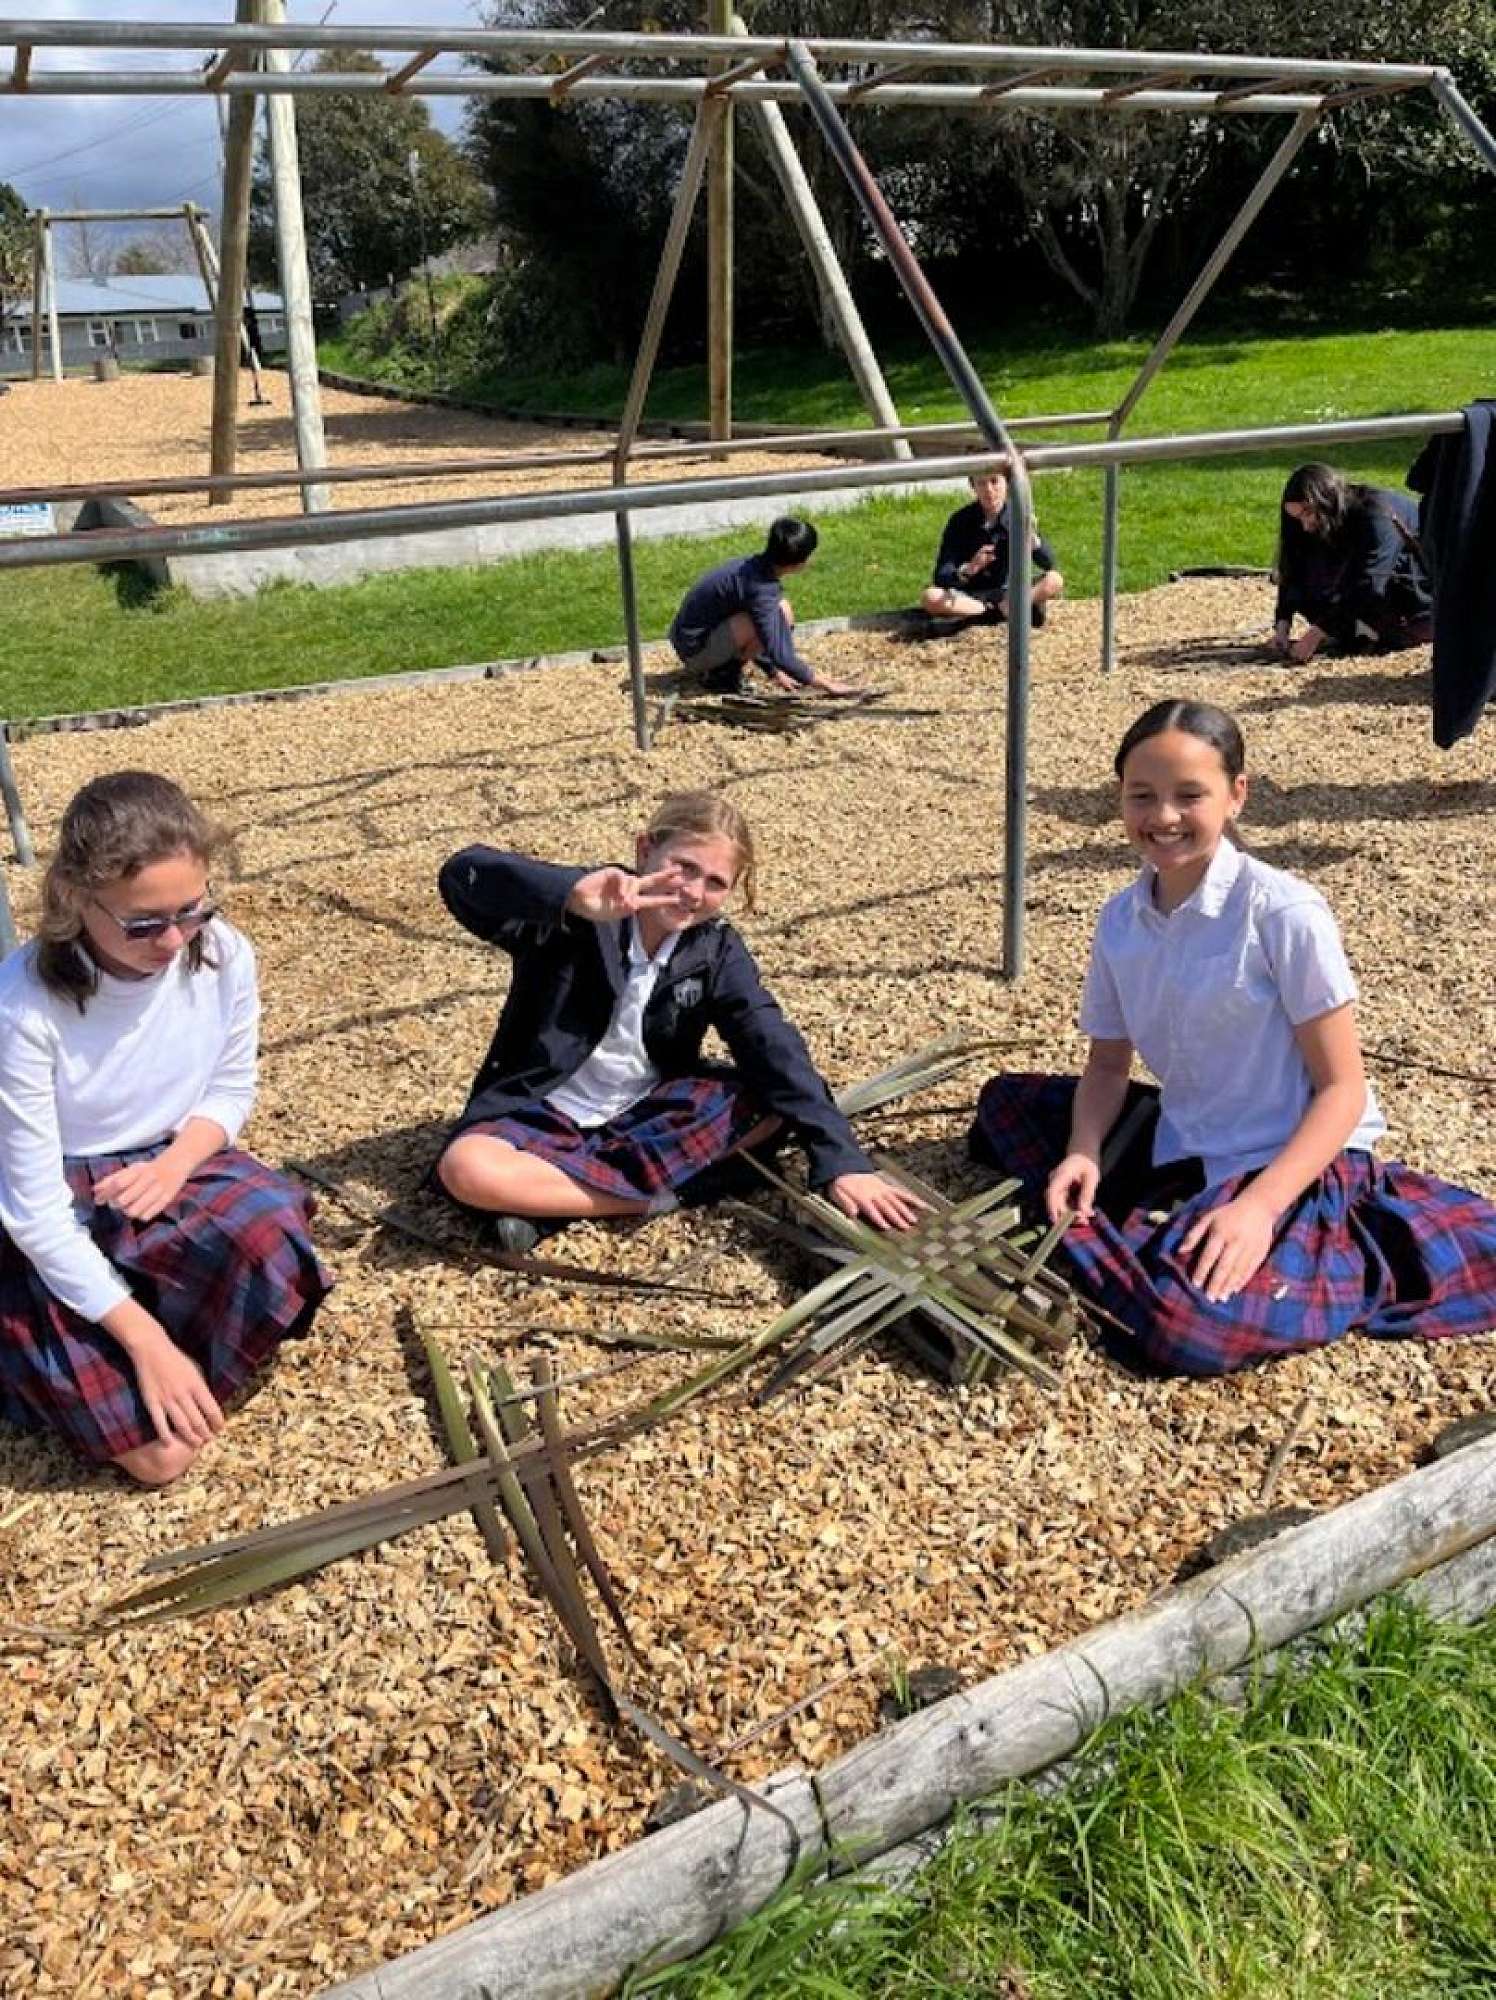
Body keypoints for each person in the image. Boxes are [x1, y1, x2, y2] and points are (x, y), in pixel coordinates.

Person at [968, 699, 1496, 1376]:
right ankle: (1129, 1231)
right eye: (1142, 796)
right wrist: (1083, 1151)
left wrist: (1258, 1209)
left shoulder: (1283, 912)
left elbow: (1343, 1090)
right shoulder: (1120, 920)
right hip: (1187, 1136)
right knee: (1003, 1103)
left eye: (1190, 795)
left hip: (1294, 1156)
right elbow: (1106, 1067)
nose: (1163, 817)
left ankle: (1321, 1244)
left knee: (1184, 1327)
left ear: (1236, 795)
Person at [0, 772, 331, 1484]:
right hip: (56, 1196)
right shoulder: (22, 1007)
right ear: (74, 897)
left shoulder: (224, 953)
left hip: (170, 1162)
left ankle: (143, 1317)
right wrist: (146, 1342)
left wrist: (177, 1164)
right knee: (162, 1457)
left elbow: (230, 1088)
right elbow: (34, 1214)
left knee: (272, 1229)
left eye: (192, 909)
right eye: (144, 923)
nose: (175, 940)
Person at [435, 790, 925, 1251]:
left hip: (647, 1108)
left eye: (715, 882)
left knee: (773, 1102)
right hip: (546, 1107)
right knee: (468, 1169)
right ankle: (663, 1195)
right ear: (645, 850)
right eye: (684, 867)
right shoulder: (576, 914)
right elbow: (461, 878)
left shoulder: (713, 946)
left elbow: (766, 1039)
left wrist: (842, 1161)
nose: (693, 891)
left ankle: (551, 1201)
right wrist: (569, 892)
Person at [668, 517, 860, 697]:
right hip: (694, 651)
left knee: (782, 610)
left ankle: (724, 669)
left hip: (690, 637)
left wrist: (773, 670)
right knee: (760, 619)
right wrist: (824, 683)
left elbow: (769, 635)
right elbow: (779, 652)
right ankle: (721, 675)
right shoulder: (761, 589)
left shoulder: (754, 567)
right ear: (798, 563)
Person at [1271, 462, 1433, 665]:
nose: (1305, 525)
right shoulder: (1325, 519)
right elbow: (1293, 563)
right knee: (1311, 565)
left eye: (1307, 513)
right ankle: (1355, 628)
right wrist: (1283, 622)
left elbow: (1371, 581)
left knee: (1366, 583)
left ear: (1326, 502)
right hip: (1363, 585)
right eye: (1297, 518)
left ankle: (1379, 630)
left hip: (1417, 593)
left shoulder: (1376, 514)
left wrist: (1317, 633)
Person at [920, 468, 1064, 628]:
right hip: (971, 596)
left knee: (1054, 580)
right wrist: (970, 568)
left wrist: (1032, 539)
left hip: (1010, 592)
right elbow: (941, 575)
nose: (989, 490)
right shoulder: (960, 521)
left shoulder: (1018, 515)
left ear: (1007, 483)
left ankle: (1003, 609)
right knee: (930, 596)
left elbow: (1049, 563)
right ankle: (993, 613)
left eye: (994, 481)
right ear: (973, 486)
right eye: (981, 483)